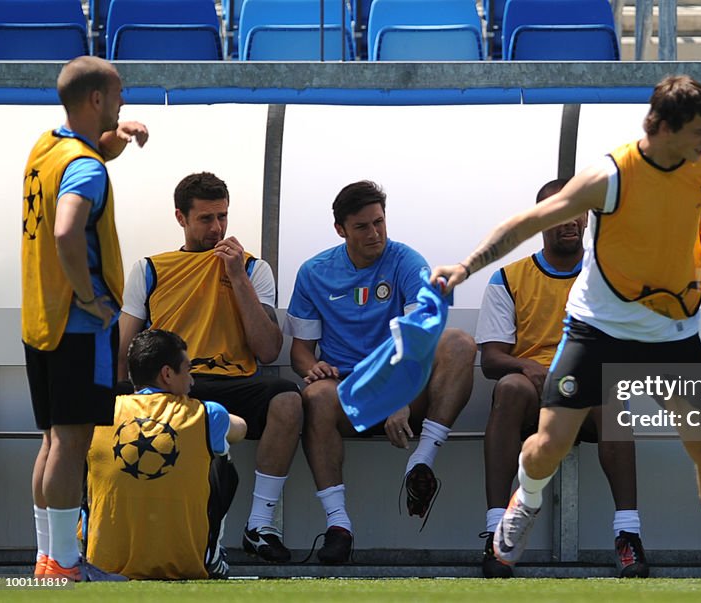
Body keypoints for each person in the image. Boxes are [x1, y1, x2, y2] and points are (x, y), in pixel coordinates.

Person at [432, 75, 701, 583]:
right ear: (661, 127)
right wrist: (464, 266)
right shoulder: (610, 175)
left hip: (673, 333)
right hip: (599, 329)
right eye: (699, 132)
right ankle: (523, 505)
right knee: (549, 444)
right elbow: (528, 222)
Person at [285, 180, 476, 564]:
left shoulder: (408, 262)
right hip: (349, 393)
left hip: (406, 391)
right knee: (315, 396)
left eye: (379, 222)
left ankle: (421, 462)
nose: (375, 234)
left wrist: (399, 398)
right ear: (340, 229)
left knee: (459, 342)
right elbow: (299, 352)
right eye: (363, 226)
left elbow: (418, 341)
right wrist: (313, 367)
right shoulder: (313, 272)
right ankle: (339, 526)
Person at [117, 172, 303, 563]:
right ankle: (110, 527)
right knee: (108, 401)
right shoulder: (150, 269)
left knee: (287, 399)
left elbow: (268, 350)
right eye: (205, 218)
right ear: (180, 218)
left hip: (236, 382)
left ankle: (259, 524)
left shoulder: (253, 269)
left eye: (223, 216)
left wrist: (236, 278)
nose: (216, 227)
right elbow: (124, 352)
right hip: (170, 387)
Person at [475, 178, 647, 579]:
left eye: (577, 212)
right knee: (508, 386)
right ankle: (497, 531)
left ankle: (628, 535)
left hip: (586, 396)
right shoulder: (508, 278)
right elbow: (492, 359)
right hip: (533, 394)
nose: (569, 222)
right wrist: (527, 367)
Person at [22, 55, 148, 582]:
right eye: (117, 96)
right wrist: (93, 300)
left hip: (40, 321)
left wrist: (117, 136)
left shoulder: (47, 145)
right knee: (71, 442)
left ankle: (47, 556)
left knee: (53, 439)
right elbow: (68, 229)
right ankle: (66, 565)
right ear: (96, 99)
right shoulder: (85, 167)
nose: (122, 103)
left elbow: (88, 156)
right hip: (77, 326)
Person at [86, 330, 247, 579]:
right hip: (187, 566)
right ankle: (211, 555)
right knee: (220, 458)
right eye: (188, 370)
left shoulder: (99, 410)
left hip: (103, 565)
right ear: (167, 374)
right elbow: (240, 429)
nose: (192, 380)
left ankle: (79, 552)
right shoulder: (207, 414)